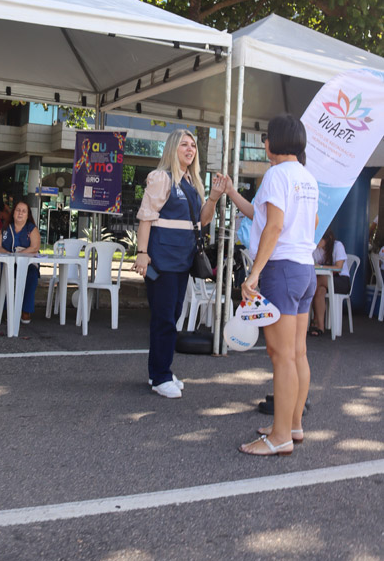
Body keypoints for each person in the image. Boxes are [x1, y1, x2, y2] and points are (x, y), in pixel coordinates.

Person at [224, 114, 318, 455]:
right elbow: (298, 220)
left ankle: (279, 438)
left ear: (274, 142)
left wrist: (253, 274)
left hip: (281, 270)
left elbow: (273, 227)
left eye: (266, 138)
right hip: (305, 270)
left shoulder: (277, 174)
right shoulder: (306, 178)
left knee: (281, 357)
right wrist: (233, 192)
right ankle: (292, 425)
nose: (264, 144)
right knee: (296, 354)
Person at [133, 129, 225, 399]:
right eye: (184, 144)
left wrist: (214, 197)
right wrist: (141, 253)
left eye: (193, 145)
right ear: (173, 148)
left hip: (182, 261)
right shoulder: (162, 178)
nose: (190, 149)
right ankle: (161, 376)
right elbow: (146, 217)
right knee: (165, 319)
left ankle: (159, 371)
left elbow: (202, 221)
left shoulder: (191, 181)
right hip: (162, 260)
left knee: (171, 316)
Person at [0, 199, 41, 324]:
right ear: (13, 213)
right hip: (8, 262)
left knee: (32, 275)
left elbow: (35, 247)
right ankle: (6, 308)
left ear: (27, 214)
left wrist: (18, 255)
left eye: (24, 211)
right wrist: (9, 255)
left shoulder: (31, 228)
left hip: (26, 263)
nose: (20, 213)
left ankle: (26, 310)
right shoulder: (5, 227)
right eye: (18, 210)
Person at [309, 228, 350, 336]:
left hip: (341, 281)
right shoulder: (316, 249)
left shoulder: (337, 246)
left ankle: (314, 319)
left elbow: (338, 268)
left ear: (327, 239)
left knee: (316, 282)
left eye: (319, 239)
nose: (316, 241)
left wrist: (321, 266)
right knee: (320, 291)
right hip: (324, 283)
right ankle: (321, 327)